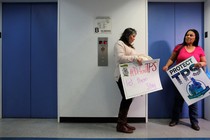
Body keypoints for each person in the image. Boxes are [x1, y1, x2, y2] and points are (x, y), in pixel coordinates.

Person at [162, 29, 207, 131]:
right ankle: (175, 119)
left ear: (195, 37)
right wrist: (166, 66)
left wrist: (201, 63)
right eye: (187, 35)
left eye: (191, 35)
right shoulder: (179, 47)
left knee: (193, 101)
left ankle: (194, 122)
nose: (188, 37)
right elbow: (172, 59)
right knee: (178, 101)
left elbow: (205, 62)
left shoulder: (199, 49)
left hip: (193, 79)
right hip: (180, 80)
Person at [114, 28, 144, 133]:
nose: (134, 38)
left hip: (129, 76)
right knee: (126, 99)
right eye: (133, 36)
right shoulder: (119, 44)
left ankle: (123, 122)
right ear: (127, 35)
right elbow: (120, 57)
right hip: (121, 76)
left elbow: (131, 57)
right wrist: (135, 58)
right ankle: (120, 125)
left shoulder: (129, 46)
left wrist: (141, 57)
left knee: (129, 98)